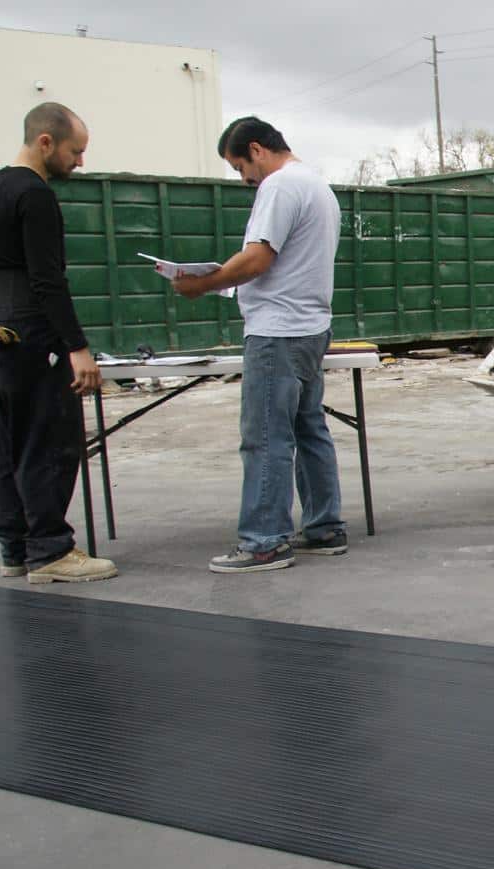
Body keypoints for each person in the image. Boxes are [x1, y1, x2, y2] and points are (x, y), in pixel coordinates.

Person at [173, 116, 346, 574]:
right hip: (310, 326)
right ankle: (324, 527)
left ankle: (264, 541)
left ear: (256, 149)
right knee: (308, 428)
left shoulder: (280, 185)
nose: (243, 179)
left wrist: (201, 283)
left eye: (239, 168)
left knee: (266, 436)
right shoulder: (317, 186)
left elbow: (257, 259)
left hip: (278, 330)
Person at [0, 103, 118, 584]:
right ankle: (51, 549)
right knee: (49, 439)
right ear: (45, 142)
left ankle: (14, 548)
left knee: (10, 442)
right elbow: (47, 279)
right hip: (32, 331)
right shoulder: (35, 195)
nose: (79, 162)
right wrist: (76, 346)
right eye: (75, 151)